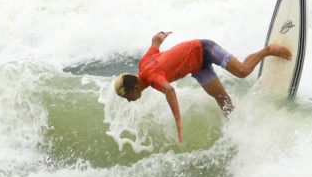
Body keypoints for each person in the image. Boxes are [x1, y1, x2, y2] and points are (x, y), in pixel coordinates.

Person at [114, 31, 291, 142]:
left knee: (243, 71)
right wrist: (161, 35)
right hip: (198, 67)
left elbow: (169, 90)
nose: (130, 101)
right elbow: (155, 42)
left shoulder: (152, 77)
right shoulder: (144, 64)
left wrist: (178, 121)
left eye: (127, 97)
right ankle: (238, 130)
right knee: (222, 99)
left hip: (204, 48)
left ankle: (268, 50)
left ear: (134, 88)